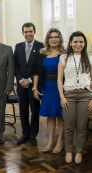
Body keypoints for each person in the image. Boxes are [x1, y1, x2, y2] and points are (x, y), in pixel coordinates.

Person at [58, 31, 92, 164]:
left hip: (85, 95)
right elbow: (60, 79)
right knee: (69, 126)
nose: (78, 44)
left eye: (81, 42)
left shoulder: (89, 58)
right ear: (70, 43)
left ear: (84, 44)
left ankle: (78, 152)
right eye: (75, 42)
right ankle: (68, 151)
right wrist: (62, 97)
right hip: (69, 95)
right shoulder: (64, 58)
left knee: (82, 126)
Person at [33, 28, 65, 153]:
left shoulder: (65, 53)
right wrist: (35, 88)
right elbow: (36, 72)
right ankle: (51, 140)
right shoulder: (41, 54)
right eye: (51, 37)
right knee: (50, 116)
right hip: (46, 89)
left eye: (56, 36)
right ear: (47, 39)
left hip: (60, 90)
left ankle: (60, 141)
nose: (54, 39)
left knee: (61, 115)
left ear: (60, 39)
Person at [14, 22, 44, 146]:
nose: (28, 34)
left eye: (30, 31)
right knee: (23, 111)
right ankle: (25, 133)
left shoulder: (41, 46)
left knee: (35, 111)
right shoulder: (18, 46)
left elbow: (41, 67)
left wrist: (29, 80)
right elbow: (15, 66)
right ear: (22, 33)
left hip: (34, 86)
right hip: (21, 86)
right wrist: (21, 80)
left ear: (34, 32)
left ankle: (33, 134)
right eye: (26, 32)